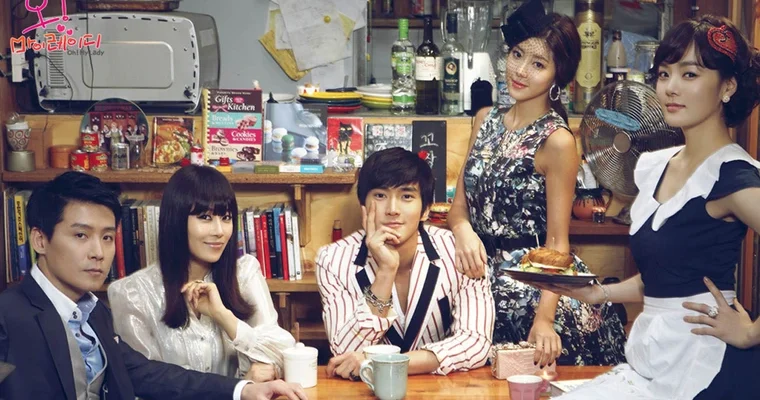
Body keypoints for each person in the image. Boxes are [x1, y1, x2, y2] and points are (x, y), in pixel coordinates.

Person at [536, 16, 760, 399]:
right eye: (664, 74)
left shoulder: (733, 175)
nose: (671, 87)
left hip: (704, 360)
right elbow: (663, 276)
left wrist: (752, 332)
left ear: (728, 86)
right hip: (655, 353)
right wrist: (597, 294)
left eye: (690, 75)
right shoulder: (657, 165)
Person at [0, 171, 306, 400]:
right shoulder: (7, 316)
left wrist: (242, 390)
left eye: (107, 237)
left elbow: (148, 374)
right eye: (81, 235)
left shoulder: (93, 314)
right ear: (40, 240)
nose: (98, 252)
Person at [446, 0, 626, 367]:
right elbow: (458, 209)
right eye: (517, 55)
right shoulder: (485, 119)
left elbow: (557, 243)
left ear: (558, 77)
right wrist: (463, 232)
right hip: (474, 282)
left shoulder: (557, 141)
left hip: (532, 287)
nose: (521, 71)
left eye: (538, 64)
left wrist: (544, 319)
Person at [316, 148, 494, 379]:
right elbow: (345, 354)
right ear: (363, 206)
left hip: (439, 388)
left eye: (406, 196)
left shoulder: (457, 251)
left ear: (426, 209)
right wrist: (385, 272)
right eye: (380, 196)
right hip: (364, 390)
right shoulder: (333, 260)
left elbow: (476, 342)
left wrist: (386, 363)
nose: (392, 210)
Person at [108, 165, 295, 383]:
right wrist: (240, 388)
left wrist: (223, 316)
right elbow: (149, 385)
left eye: (226, 217)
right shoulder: (132, 295)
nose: (219, 231)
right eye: (205, 217)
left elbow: (284, 353)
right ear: (176, 220)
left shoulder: (244, 273)